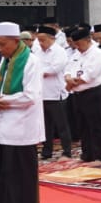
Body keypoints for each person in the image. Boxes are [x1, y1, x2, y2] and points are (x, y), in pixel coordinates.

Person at [0, 22, 45, 203]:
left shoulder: (31, 61)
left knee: (25, 173)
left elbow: (31, 95)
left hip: (23, 127)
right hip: (4, 126)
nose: (0, 49)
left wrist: (4, 101)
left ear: (15, 41)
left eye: (3, 44)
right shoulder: (6, 61)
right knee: (8, 173)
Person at [64, 26, 101, 164]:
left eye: (79, 43)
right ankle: (87, 154)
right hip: (78, 94)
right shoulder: (76, 54)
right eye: (74, 44)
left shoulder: (97, 53)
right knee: (82, 126)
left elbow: (90, 75)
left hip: (93, 93)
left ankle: (100, 156)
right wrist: (68, 79)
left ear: (88, 40)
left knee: (96, 125)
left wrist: (72, 83)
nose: (76, 46)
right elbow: (68, 69)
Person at [35, 26, 73, 160]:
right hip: (42, 94)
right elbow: (33, 67)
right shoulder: (37, 51)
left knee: (61, 125)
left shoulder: (59, 51)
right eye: (38, 40)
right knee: (45, 126)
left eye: (42, 40)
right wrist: (41, 71)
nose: (40, 43)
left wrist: (41, 71)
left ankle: (67, 151)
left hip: (57, 94)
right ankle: (46, 151)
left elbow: (54, 69)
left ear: (51, 38)